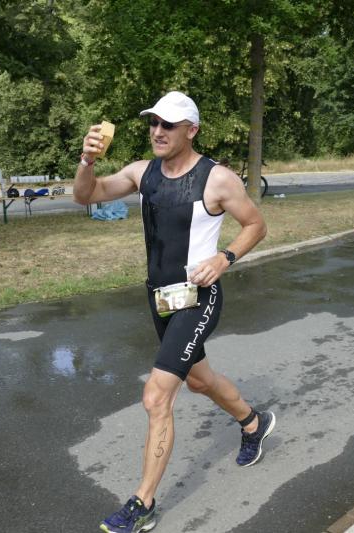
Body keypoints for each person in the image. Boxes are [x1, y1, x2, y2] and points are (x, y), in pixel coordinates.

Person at [74, 91, 276, 533]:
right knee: (199, 380)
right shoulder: (142, 173)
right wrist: (87, 161)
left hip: (198, 297)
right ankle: (253, 422)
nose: (158, 131)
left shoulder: (217, 179)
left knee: (156, 396)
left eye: (168, 124)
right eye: (153, 123)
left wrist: (224, 258)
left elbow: (256, 225)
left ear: (192, 130)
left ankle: (142, 504)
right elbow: (86, 195)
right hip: (161, 299)